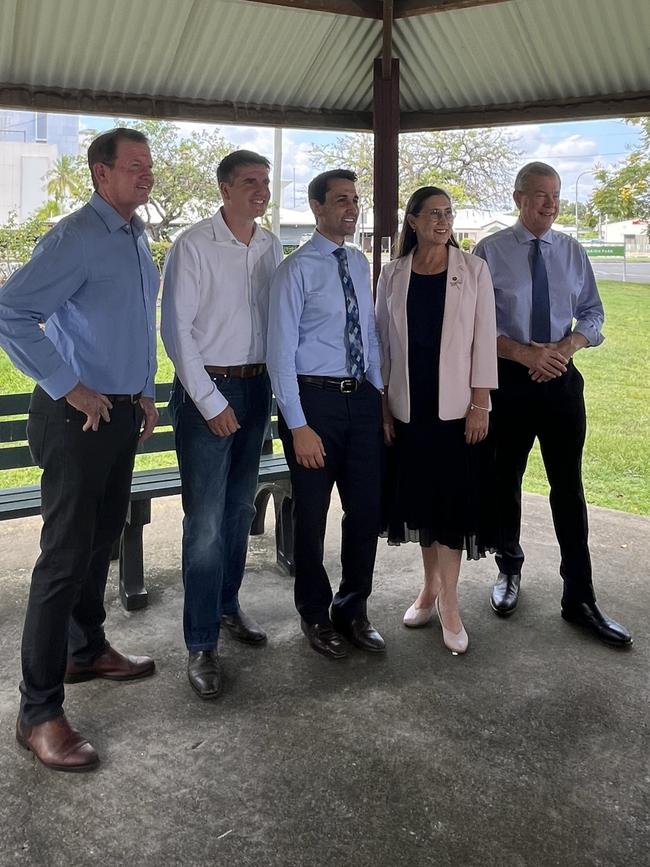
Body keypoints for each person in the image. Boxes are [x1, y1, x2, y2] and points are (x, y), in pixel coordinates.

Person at [0, 128, 160, 772]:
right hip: (76, 420)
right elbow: (11, 311)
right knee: (63, 560)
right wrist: (70, 387)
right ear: (100, 174)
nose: (146, 176)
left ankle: (86, 647)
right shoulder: (75, 237)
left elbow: (130, 325)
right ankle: (37, 712)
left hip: (120, 415)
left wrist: (144, 391)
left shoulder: (136, 236)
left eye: (150, 166)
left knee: (101, 541)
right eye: (134, 167)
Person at [474, 161, 632, 647]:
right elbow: (474, 324)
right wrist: (523, 353)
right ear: (519, 197)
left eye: (556, 195)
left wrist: (562, 350)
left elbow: (593, 312)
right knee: (506, 482)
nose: (550, 203)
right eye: (541, 194)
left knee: (569, 488)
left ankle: (579, 597)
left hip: (560, 381)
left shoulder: (571, 250)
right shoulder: (489, 252)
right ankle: (509, 569)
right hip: (509, 382)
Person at [161, 150, 283, 699]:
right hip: (208, 389)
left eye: (266, 181)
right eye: (250, 182)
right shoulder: (192, 245)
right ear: (225, 188)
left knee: (239, 510)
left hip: (257, 388)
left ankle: (227, 605)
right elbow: (176, 333)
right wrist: (210, 401)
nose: (261, 190)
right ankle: (200, 641)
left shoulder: (269, 244)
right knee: (206, 522)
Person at [267, 169, 385, 660]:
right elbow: (280, 353)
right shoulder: (295, 271)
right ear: (316, 208)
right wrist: (298, 426)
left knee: (366, 512)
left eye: (355, 200)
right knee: (312, 516)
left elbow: (370, 336)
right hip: (313, 404)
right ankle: (314, 614)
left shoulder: (358, 263)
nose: (351, 209)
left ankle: (352, 608)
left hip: (361, 399)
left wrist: (380, 399)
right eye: (341, 200)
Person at [376, 186, 498, 655]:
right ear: (412, 220)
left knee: (451, 510)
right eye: (433, 213)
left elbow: (484, 339)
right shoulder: (393, 274)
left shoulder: (474, 270)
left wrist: (480, 402)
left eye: (448, 213)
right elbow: (383, 344)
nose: (442, 221)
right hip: (411, 410)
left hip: (458, 413)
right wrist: (384, 403)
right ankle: (429, 590)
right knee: (424, 507)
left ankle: (449, 604)